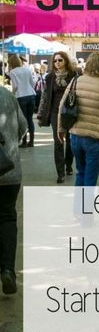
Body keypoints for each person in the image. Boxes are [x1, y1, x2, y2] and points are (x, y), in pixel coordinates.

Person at [58, 51, 99, 187]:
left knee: (81, 172)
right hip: (94, 138)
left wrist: (61, 129)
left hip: (75, 137)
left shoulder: (76, 81)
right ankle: (87, 208)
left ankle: (79, 207)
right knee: (91, 177)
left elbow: (62, 105)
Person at [0, 87, 27, 294]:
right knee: (7, 218)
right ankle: (7, 269)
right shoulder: (7, 95)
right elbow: (23, 127)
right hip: (8, 170)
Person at [37, 52, 76, 183]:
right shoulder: (50, 77)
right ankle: (60, 173)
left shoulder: (74, 76)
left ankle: (68, 164)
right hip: (54, 112)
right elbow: (45, 96)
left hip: (70, 112)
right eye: (55, 61)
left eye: (60, 60)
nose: (57, 63)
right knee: (58, 141)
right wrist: (40, 114)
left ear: (65, 61)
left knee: (70, 141)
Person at [8, 54, 36, 147]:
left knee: (22, 120)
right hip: (31, 95)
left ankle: (24, 141)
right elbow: (33, 83)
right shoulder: (27, 69)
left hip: (20, 96)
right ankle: (31, 141)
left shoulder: (12, 72)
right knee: (30, 119)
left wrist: (12, 94)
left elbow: (15, 86)